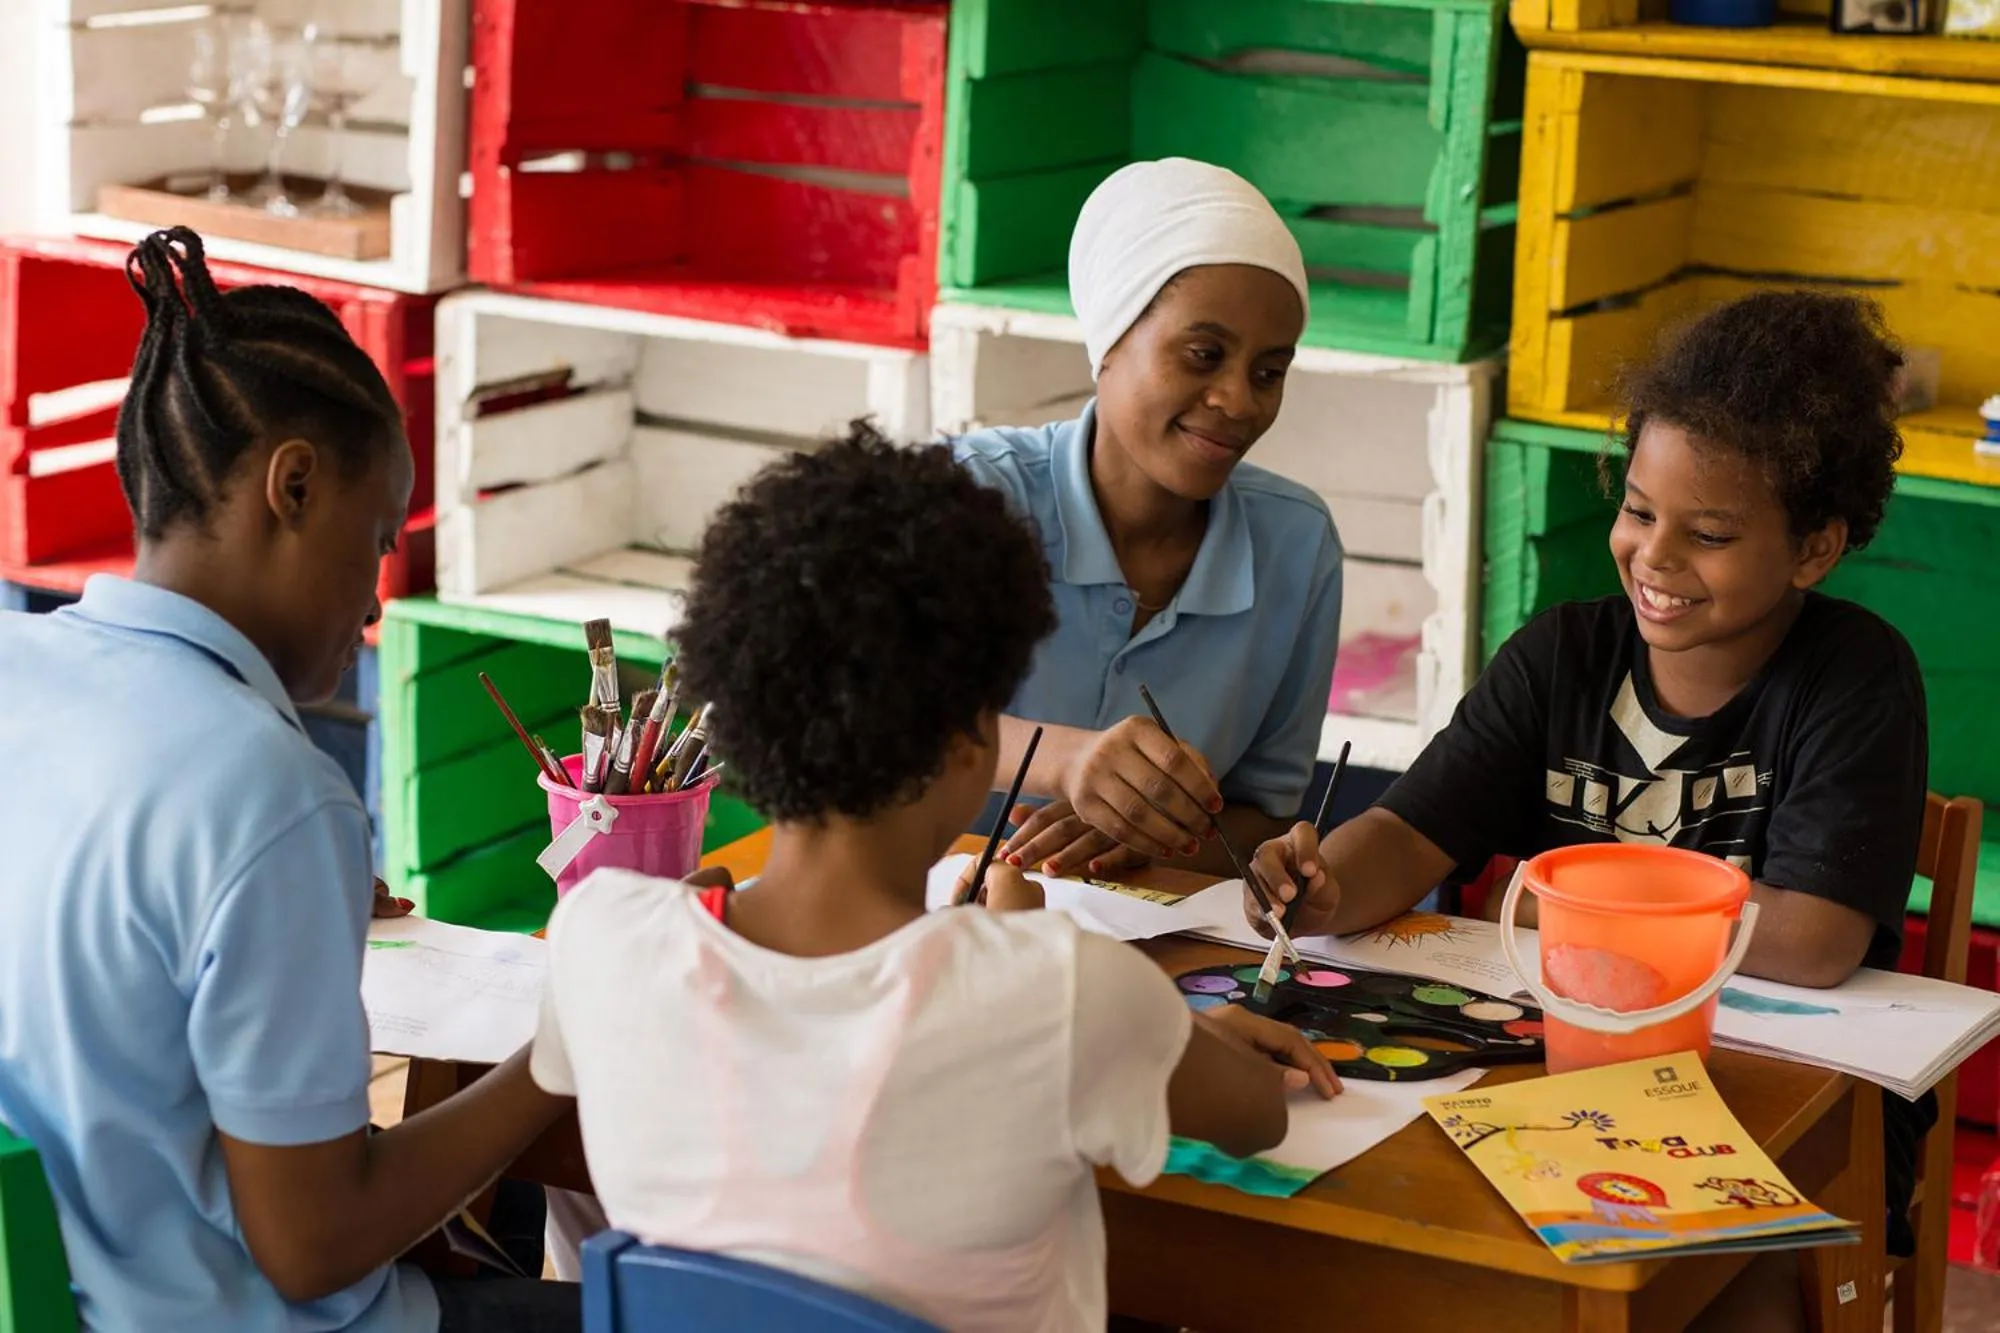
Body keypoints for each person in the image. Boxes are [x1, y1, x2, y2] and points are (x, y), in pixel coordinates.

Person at [531, 426, 1338, 1332]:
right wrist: (1065, 971)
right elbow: (1258, 1118)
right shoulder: (1060, 988)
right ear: (971, 742)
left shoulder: (602, 936)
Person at [1245, 291, 1934, 1330]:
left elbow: (1815, 939)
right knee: (1386, 1242)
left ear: (1811, 549)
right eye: (1638, 511)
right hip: (1568, 1078)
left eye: (1707, 533)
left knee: (1730, 1298)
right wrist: (1328, 880)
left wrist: (1562, 908)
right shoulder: (1559, 657)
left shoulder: (1850, 677)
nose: (1654, 559)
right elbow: (1405, 832)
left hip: (1789, 1106)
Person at [0, 228, 578, 1332]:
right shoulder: (271, 791)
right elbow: (314, 1246)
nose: (372, 605)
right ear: (294, 486)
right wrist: (560, 1054)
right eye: (372, 542)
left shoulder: (15, 669)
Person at [952, 158, 1343, 882]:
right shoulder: (972, 495)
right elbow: (875, 729)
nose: (1238, 399)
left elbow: (1263, 809)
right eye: (1204, 354)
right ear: (1110, 338)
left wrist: (1154, 836)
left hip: (1142, 933)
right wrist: (1068, 761)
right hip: (926, 922)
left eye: (1269, 371)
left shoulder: (1298, 544)